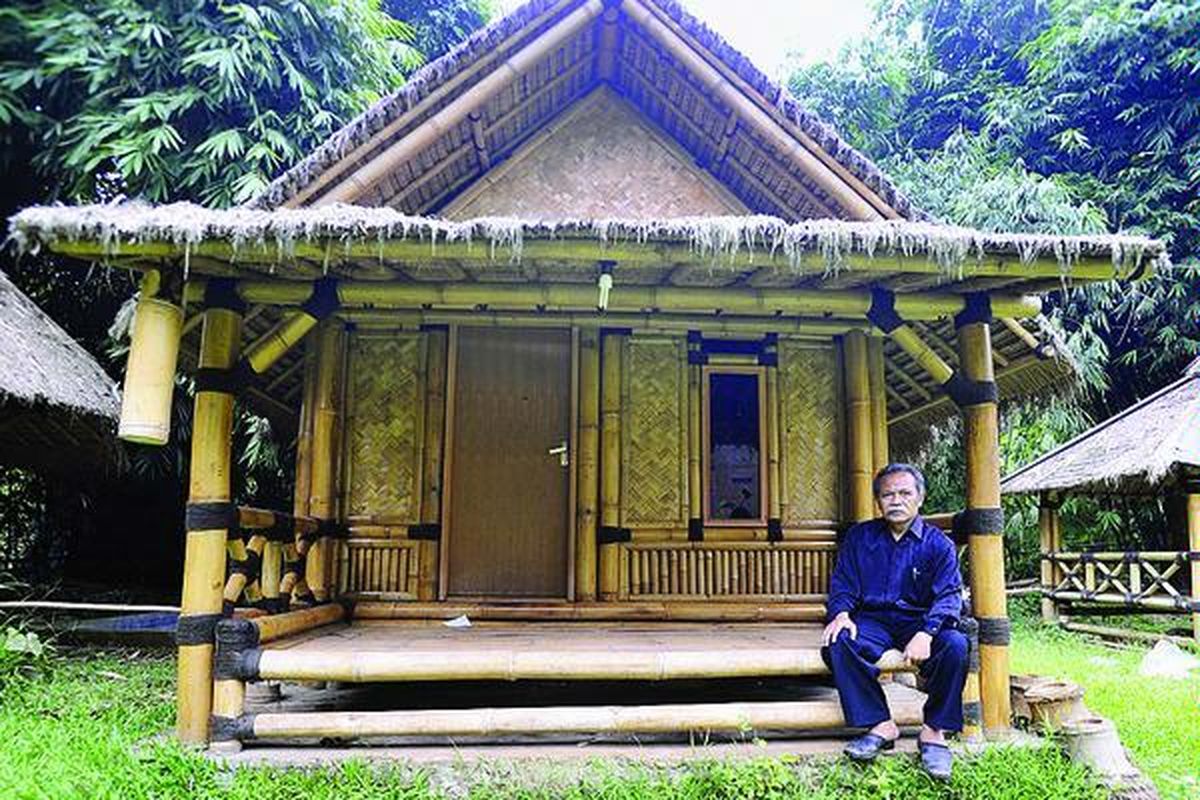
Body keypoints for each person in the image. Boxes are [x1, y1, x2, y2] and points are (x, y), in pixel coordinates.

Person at [821, 463, 968, 781]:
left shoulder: (938, 544)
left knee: (956, 645)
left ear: (920, 498)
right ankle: (880, 725)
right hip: (872, 620)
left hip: (919, 621)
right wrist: (842, 614)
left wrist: (928, 633)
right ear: (878, 501)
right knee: (838, 641)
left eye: (904, 493)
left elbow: (949, 596)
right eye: (888, 494)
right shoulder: (861, 537)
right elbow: (843, 584)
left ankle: (933, 732)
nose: (896, 500)